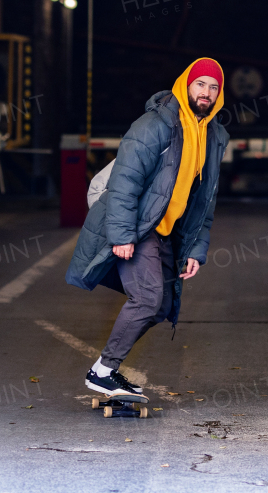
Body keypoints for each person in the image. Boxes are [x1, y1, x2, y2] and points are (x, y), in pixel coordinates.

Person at [64, 57, 229, 398]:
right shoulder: (155, 125)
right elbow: (125, 181)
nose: (206, 93)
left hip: (165, 230)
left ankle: (103, 369)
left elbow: (204, 202)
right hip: (139, 227)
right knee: (147, 297)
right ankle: (104, 371)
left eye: (213, 87)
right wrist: (122, 235)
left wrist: (196, 249)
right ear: (185, 85)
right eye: (200, 84)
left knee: (164, 304)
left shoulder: (212, 135)